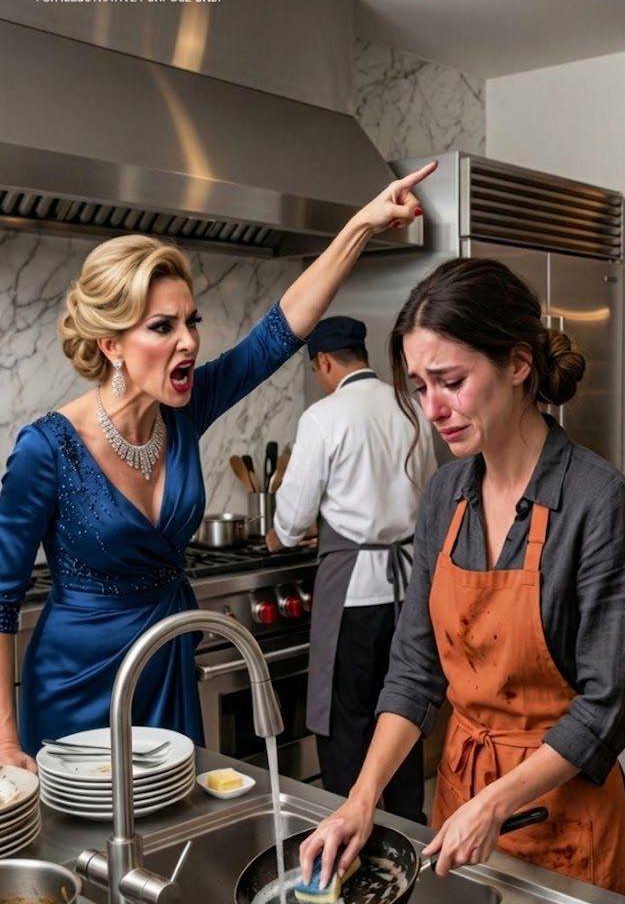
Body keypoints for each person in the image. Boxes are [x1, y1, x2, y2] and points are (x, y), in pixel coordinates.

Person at [0, 161, 437, 770]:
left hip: (167, 659)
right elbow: (2, 597)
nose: (189, 340)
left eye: (191, 322)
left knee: (173, 821)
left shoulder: (184, 410)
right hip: (78, 684)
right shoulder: (46, 449)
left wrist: (361, 225)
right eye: (163, 326)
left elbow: (278, 333)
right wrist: (4, 741)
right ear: (111, 344)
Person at [298, 257, 625, 899]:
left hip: (566, 818)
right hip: (461, 804)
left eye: (452, 381)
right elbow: (415, 668)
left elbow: (605, 708)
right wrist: (362, 797)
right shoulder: (445, 494)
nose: (434, 408)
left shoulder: (598, 501)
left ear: (517, 364)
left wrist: (494, 804)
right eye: (420, 387)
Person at [266, 315, 436, 823]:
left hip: (354, 594)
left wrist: (281, 535)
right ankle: (408, 829)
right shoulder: (411, 407)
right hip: (408, 588)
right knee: (401, 711)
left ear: (323, 362)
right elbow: (429, 493)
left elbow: (293, 516)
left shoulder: (323, 416)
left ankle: (343, 830)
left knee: (347, 721)